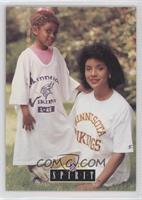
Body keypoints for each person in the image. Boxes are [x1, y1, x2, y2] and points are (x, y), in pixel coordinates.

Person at [9, 8, 82, 183]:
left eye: (55, 32)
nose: (52, 36)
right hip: (33, 114)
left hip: (53, 112)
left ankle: (49, 175)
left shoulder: (56, 54)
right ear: (35, 30)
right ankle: (39, 174)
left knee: (67, 136)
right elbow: (20, 84)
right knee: (35, 144)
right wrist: (25, 111)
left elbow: (64, 78)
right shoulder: (26, 57)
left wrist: (80, 88)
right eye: (48, 31)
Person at [69, 42, 134, 190]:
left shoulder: (120, 107)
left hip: (107, 172)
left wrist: (95, 184)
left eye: (100, 68)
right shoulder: (82, 98)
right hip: (84, 165)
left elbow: (120, 152)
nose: (93, 74)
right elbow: (69, 131)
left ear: (109, 71)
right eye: (88, 69)